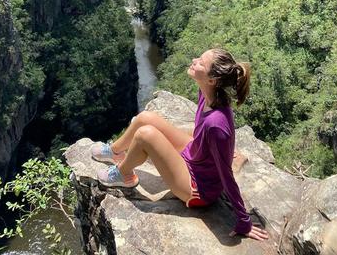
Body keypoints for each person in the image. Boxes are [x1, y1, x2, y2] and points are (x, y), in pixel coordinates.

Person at [91, 48, 269, 241]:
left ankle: (123, 173)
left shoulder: (217, 124)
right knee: (144, 118)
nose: (194, 60)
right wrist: (222, 150)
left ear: (212, 80)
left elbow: (226, 175)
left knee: (145, 135)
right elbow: (207, 134)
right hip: (195, 155)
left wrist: (244, 221)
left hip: (198, 188)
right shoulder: (209, 94)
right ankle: (116, 150)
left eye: (201, 62)